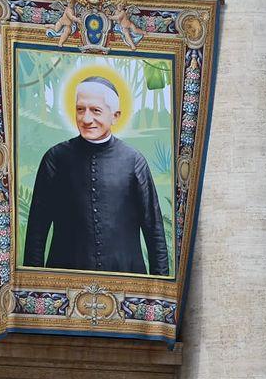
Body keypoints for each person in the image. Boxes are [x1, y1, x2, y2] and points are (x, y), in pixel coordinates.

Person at [23, 76, 170, 275]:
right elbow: (36, 232)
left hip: (125, 281)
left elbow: (154, 230)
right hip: (66, 281)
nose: (86, 119)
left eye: (96, 110)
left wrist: (159, 292)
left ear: (115, 116)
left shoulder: (134, 161)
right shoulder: (55, 159)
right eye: (80, 109)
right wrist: (36, 287)